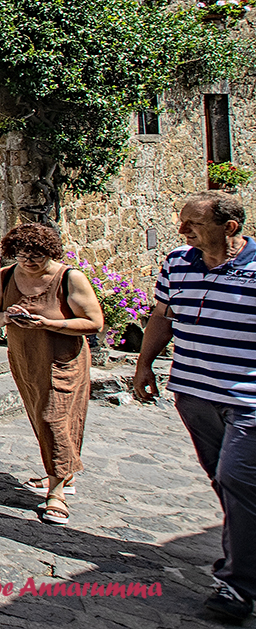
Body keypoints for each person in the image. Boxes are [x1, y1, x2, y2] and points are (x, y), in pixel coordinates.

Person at [133, 192, 256, 623]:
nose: (183, 231)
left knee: (236, 478)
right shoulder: (178, 262)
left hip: (248, 399)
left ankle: (238, 587)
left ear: (230, 227)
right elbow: (162, 316)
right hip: (194, 394)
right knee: (228, 485)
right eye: (182, 222)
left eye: (193, 224)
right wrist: (145, 363)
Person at [0, 222, 104, 526]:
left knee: (54, 417)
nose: (29, 262)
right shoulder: (5, 277)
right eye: (22, 256)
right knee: (40, 416)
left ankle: (57, 492)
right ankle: (63, 472)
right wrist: (8, 316)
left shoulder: (69, 278)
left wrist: (50, 324)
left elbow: (95, 322)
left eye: (36, 256)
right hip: (25, 358)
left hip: (63, 359)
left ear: (50, 253)